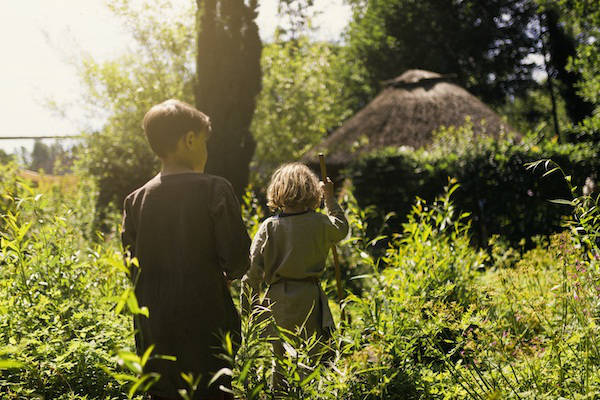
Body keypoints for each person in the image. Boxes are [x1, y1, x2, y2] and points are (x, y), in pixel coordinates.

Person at [121, 99, 250, 400]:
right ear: (189, 140)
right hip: (207, 323)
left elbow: (132, 269)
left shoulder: (135, 201)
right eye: (205, 142)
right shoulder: (215, 190)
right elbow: (238, 258)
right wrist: (228, 272)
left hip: (156, 329)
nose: (206, 150)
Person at [241, 162, 349, 392]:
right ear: (312, 190)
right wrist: (329, 198)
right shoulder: (320, 223)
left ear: (277, 191)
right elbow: (341, 228)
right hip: (309, 299)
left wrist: (248, 310)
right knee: (313, 359)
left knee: (279, 363)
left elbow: (251, 274)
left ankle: (279, 395)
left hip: (277, 301)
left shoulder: (269, 227)